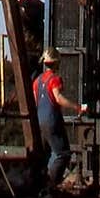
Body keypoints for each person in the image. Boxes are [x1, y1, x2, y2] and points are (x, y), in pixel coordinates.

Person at [32, 46, 86, 190]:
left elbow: (35, 100)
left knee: (45, 155)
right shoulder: (54, 79)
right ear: (57, 62)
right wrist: (77, 107)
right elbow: (58, 98)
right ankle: (50, 185)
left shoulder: (37, 81)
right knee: (63, 154)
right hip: (52, 120)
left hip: (39, 121)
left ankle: (40, 184)